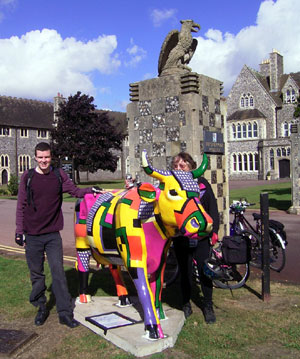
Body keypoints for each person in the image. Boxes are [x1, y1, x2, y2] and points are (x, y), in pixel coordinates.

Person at [15, 142, 102, 328]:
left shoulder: (58, 174)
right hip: (32, 234)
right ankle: (41, 307)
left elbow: (75, 191)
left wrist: (90, 190)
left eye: (47, 157)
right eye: (40, 157)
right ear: (35, 158)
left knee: (58, 273)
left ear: (51, 157)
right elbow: (21, 205)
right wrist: (18, 231)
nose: (44, 160)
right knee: (37, 274)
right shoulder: (27, 177)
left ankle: (64, 313)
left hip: (52, 234)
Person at [171, 152, 219, 323]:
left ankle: (207, 305)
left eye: (182, 165)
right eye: (175, 166)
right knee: (185, 272)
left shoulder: (202, 184)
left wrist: (214, 231)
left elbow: (212, 209)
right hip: (181, 238)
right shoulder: (173, 187)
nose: (178, 169)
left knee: (205, 272)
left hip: (202, 237)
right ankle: (185, 304)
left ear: (191, 167)